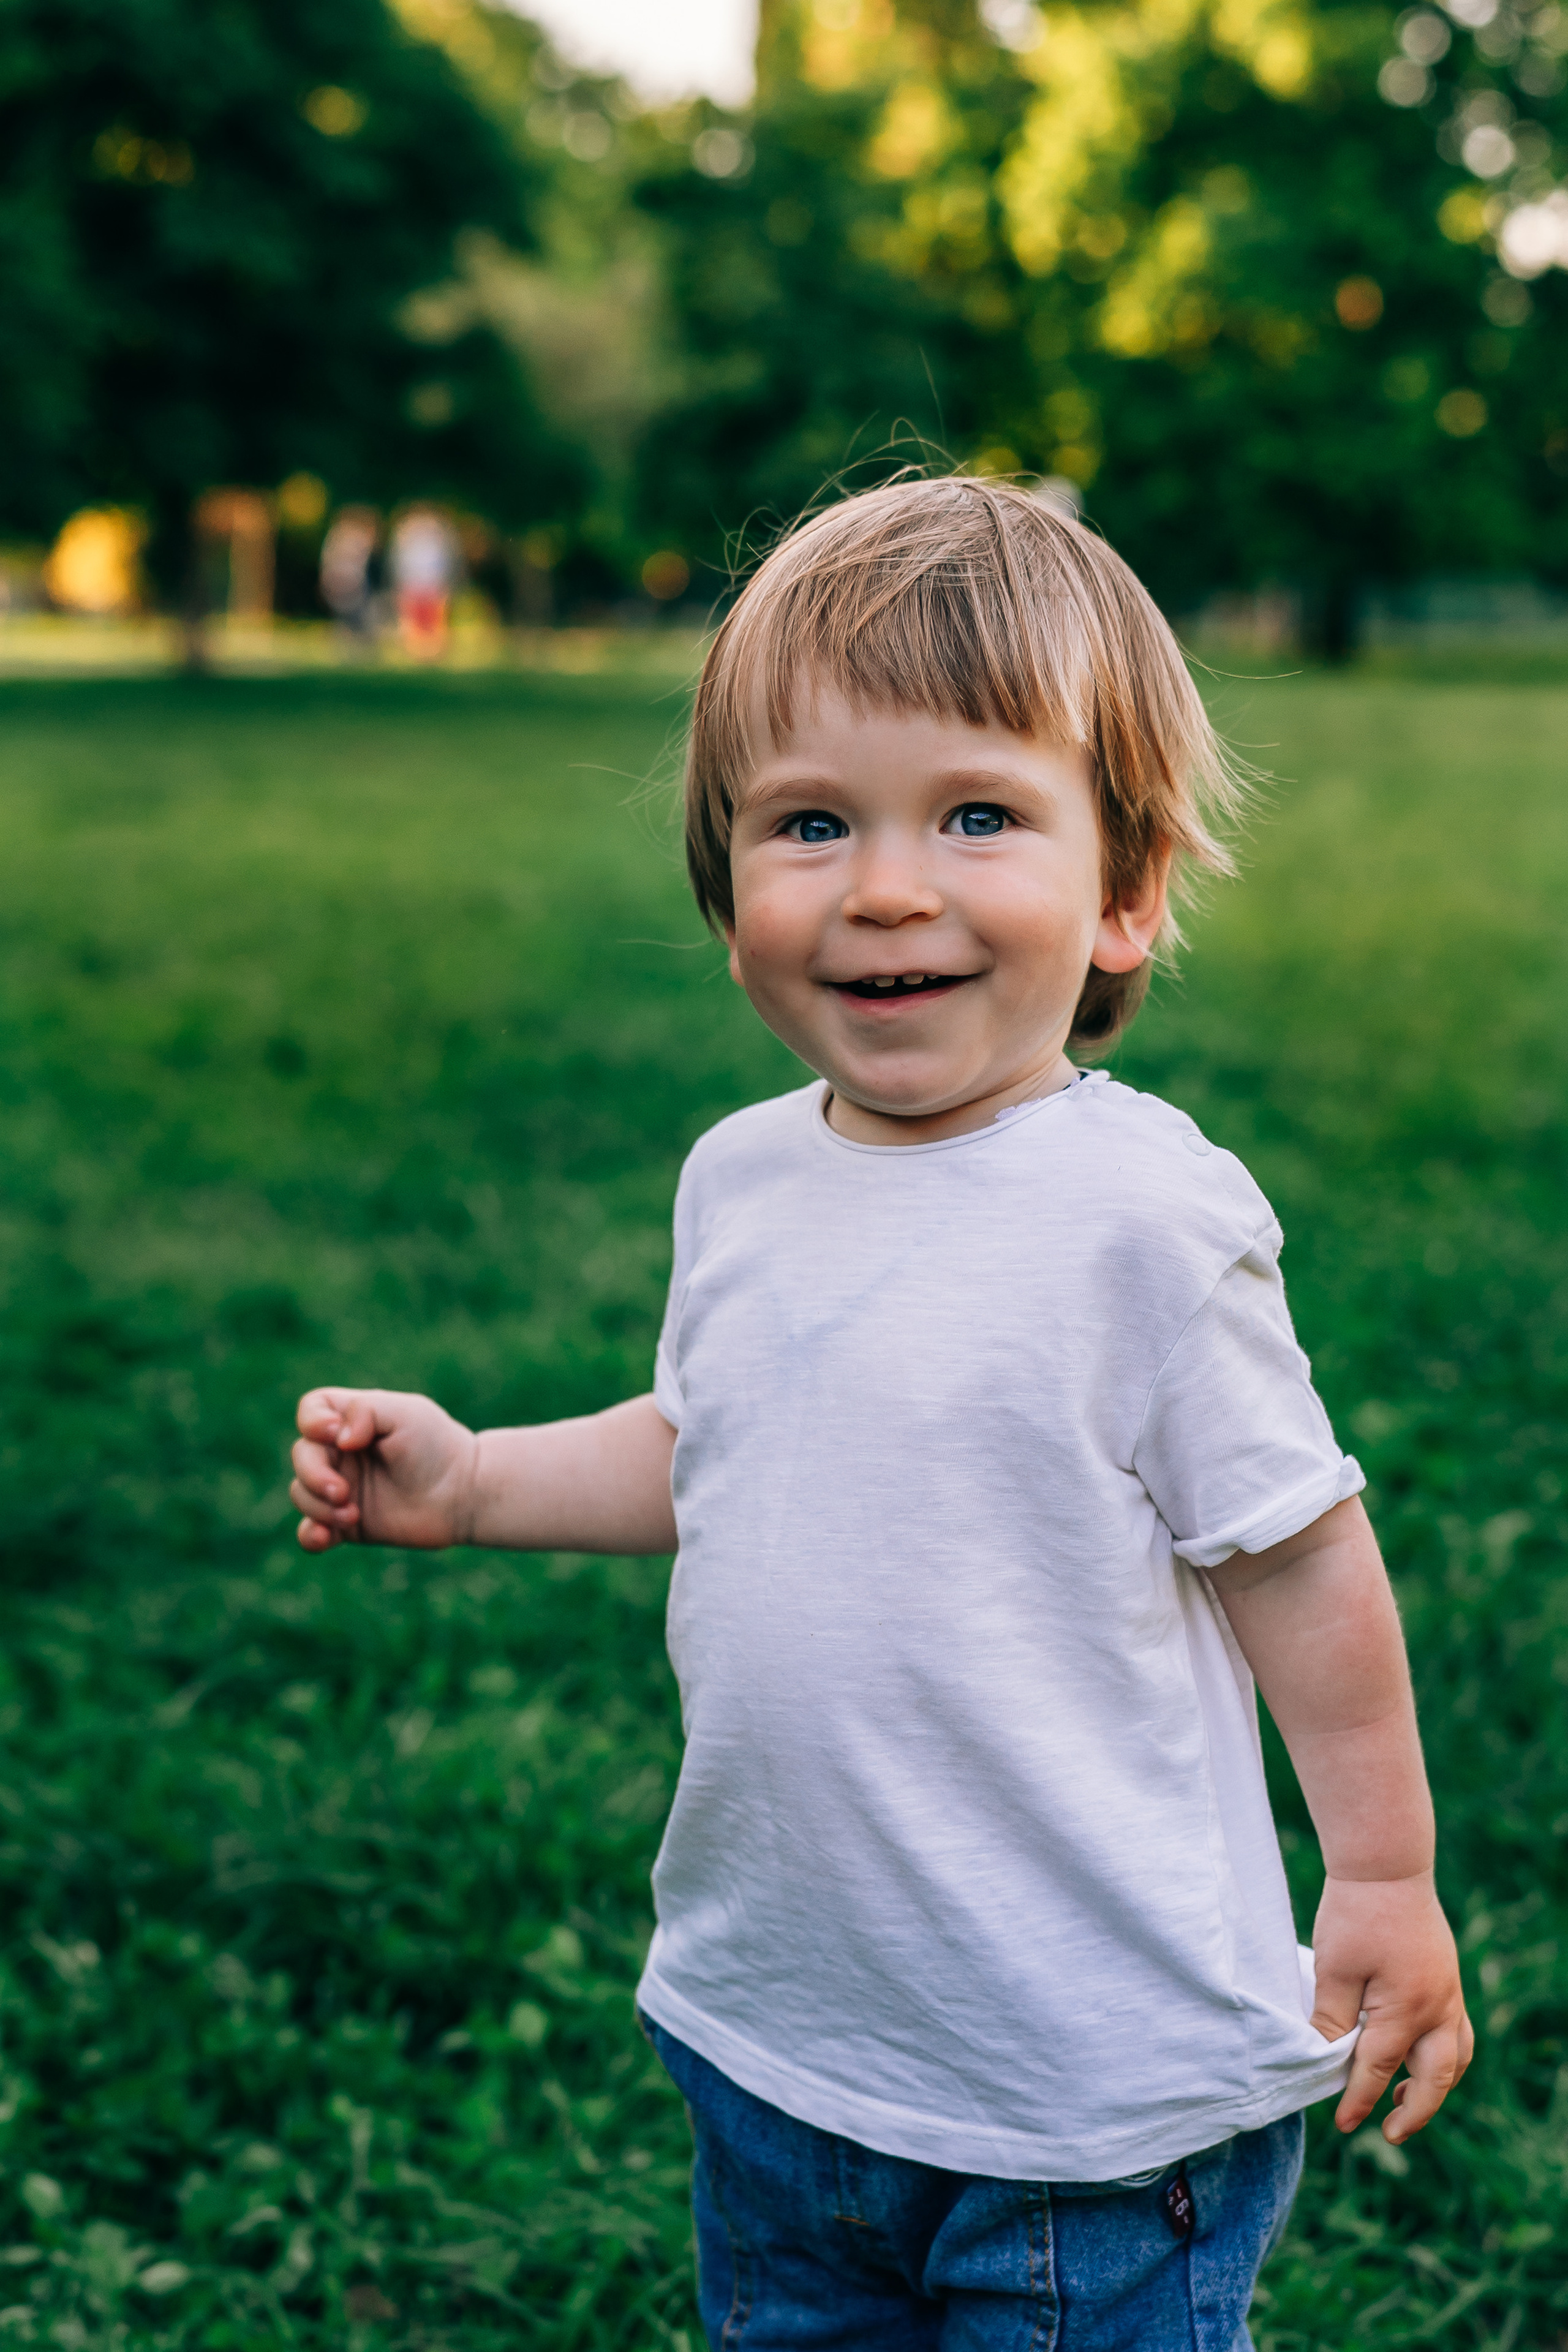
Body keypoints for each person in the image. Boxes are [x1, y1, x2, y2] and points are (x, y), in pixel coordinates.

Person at [289, 478, 1471, 2349]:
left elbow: (1300, 1561)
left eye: (980, 816)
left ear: (1128, 891)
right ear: (729, 883)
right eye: (811, 823)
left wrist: (1385, 1873)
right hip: (784, 2046)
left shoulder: (1139, 1226)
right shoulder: (743, 1181)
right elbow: (720, 1444)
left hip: (1082, 2110)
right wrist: (479, 1479)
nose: (887, 885)